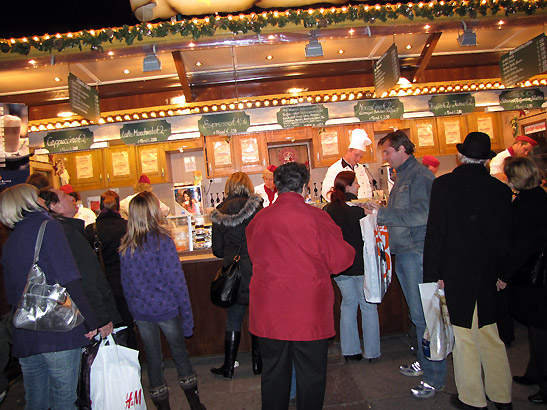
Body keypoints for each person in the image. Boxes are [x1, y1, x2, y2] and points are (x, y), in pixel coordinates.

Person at [246, 162, 355, 410]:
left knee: (273, 374)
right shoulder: (317, 218)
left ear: (277, 185)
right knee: (311, 376)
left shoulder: (259, 220)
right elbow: (340, 260)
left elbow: (254, 254)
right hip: (308, 310)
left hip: (269, 310)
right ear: (305, 187)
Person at [423, 132, 513, 410]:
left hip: (456, 267)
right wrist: (503, 273)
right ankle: (502, 396)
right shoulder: (501, 190)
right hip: (488, 269)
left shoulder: (444, 185)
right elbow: (505, 236)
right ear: (487, 160)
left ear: (461, 156)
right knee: (490, 332)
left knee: (463, 334)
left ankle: (472, 398)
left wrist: (432, 272)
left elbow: (436, 231)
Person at [0, 184, 99, 410]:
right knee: (64, 400)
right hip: (57, 331)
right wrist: (91, 320)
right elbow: (70, 278)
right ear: (28, 201)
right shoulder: (49, 227)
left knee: (35, 401)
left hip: (25, 333)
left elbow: (11, 292)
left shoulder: (10, 241)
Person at [365, 130, 446, 399]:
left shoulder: (420, 176)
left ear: (403, 149)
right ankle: (425, 364)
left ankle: (435, 376)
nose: (385, 158)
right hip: (406, 252)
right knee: (417, 315)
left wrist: (383, 214)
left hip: (417, 253)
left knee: (425, 317)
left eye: (387, 152)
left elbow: (424, 213)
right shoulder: (405, 176)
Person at [119, 191, 205, 410]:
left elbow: (126, 285)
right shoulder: (162, 241)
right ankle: (195, 404)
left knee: (153, 361)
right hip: (166, 309)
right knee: (180, 355)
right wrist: (187, 319)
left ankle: (162, 407)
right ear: (151, 212)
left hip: (141, 312)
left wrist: (134, 312)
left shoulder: (125, 246)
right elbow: (177, 282)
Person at [39, 187, 121, 339]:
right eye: (65, 196)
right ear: (53, 206)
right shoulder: (66, 233)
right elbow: (86, 278)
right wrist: (101, 318)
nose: (72, 198)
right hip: (88, 317)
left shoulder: (61, 230)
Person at [498, 156, 547, 405]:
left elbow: (522, 245)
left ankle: (544, 384)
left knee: (540, 330)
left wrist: (504, 275)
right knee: (537, 328)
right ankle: (534, 372)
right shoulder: (538, 196)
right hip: (537, 274)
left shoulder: (527, 203)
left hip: (535, 277)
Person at [209, 172, 263, 379]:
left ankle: (229, 367)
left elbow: (217, 250)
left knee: (234, 316)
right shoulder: (258, 209)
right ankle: (258, 364)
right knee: (257, 315)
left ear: (228, 187)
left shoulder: (220, 212)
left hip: (234, 272)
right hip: (257, 269)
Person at [324, 171, 380, 363]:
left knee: (347, 305)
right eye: (355, 183)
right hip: (362, 265)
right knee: (368, 307)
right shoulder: (360, 210)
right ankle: (371, 352)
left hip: (340, 268)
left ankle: (350, 351)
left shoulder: (328, 210)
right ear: (347, 186)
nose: (358, 186)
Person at [85, 190, 137, 349]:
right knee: (128, 328)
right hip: (127, 285)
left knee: (107, 331)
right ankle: (132, 364)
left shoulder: (90, 230)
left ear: (100, 206)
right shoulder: (128, 226)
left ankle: (111, 368)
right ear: (118, 206)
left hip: (102, 287)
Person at [322, 128, 374, 201]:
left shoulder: (361, 168)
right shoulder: (335, 168)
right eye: (356, 155)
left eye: (361, 157)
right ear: (349, 151)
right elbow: (326, 192)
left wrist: (367, 202)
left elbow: (367, 189)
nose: (358, 159)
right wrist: (341, 204)